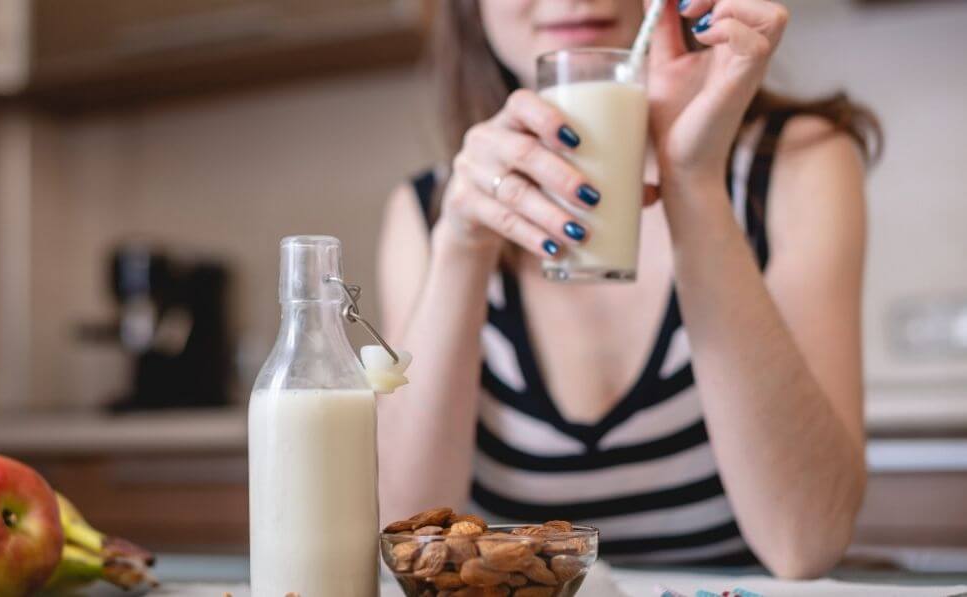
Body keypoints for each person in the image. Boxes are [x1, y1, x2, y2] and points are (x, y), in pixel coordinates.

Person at [376, 0, 881, 579]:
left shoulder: (797, 164)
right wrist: (463, 249)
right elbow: (410, 549)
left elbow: (806, 542)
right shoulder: (429, 215)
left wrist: (692, 182)